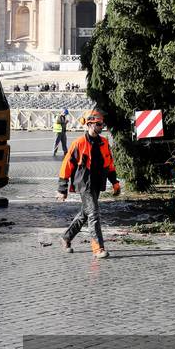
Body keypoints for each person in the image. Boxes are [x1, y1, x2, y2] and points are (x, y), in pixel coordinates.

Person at [57, 110, 121, 258]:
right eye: (98, 124)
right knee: (93, 214)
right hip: (84, 184)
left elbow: (109, 164)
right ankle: (98, 248)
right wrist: (62, 188)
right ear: (89, 124)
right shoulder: (79, 143)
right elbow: (67, 165)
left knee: (84, 214)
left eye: (102, 124)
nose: (101, 127)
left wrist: (115, 182)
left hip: (97, 183)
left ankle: (66, 238)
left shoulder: (104, 142)